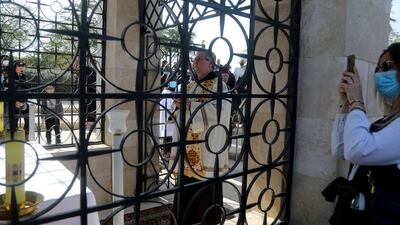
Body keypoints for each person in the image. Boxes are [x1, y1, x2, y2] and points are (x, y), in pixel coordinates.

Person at [328, 43, 400, 225]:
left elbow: (358, 150)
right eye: (377, 69)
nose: (379, 74)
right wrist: (346, 105)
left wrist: (357, 102)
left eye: (386, 66)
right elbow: (341, 150)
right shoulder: (387, 121)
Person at [169, 50, 231, 225]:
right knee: (185, 186)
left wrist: (189, 105)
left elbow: (219, 112)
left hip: (206, 148)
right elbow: (182, 111)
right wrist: (178, 105)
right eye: (194, 59)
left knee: (203, 190)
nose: (194, 62)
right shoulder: (191, 84)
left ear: (210, 63)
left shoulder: (218, 85)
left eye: (199, 59)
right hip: (187, 144)